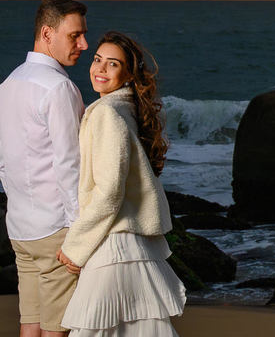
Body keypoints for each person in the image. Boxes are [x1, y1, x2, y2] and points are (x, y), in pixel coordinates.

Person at [57, 31, 186, 337]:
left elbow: (109, 193)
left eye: (112, 64)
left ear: (128, 74)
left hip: (113, 246)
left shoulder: (106, 114)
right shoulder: (122, 109)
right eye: (97, 59)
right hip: (127, 243)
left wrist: (75, 247)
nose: (99, 69)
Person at [0, 0, 89, 337]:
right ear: (47, 33)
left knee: (30, 323)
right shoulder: (59, 87)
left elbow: (2, 161)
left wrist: (19, 207)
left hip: (21, 226)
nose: (84, 44)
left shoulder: (10, 83)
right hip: (55, 230)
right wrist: (79, 233)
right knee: (56, 330)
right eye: (74, 36)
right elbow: (69, 165)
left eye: (83, 35)